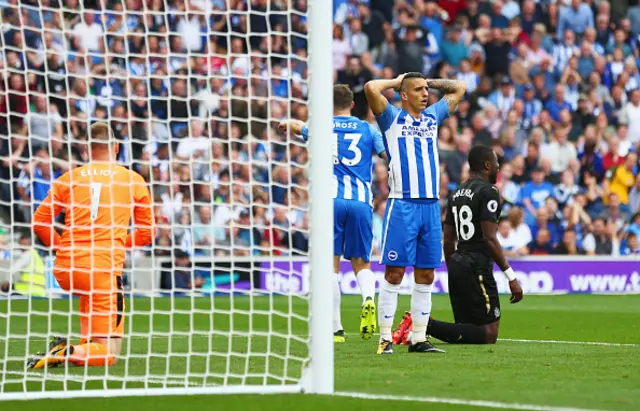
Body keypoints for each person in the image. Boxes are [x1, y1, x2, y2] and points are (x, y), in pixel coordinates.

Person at [28, 122, 155, 368]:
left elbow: (39, 222)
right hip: (102, 270)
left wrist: (61, 247)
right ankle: (67, 350)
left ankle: (83, 347)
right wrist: (118, 243)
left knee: (91, 303)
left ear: (87, 149)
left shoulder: (69, 177)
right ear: (116, 148)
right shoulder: (132, 179)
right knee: (110, 354)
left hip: (66, 269)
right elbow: (148, 233)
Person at [364, 72, 466, 354]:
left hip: (431, 206)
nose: (425, 94)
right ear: (404, 95)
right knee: (394, 273)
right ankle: (385, 339)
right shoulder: (392, 118)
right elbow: (372, 87)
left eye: (426, 90)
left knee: (426, 274)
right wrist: (398, 82)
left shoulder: (433, 117)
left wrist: (427, 81)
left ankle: (417, 338)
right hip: (403, 204)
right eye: (418, 90)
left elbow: (460, 87)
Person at [278, 84, 386, 343]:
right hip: (361, 201)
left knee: (331, 265)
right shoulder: (368, 129)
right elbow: (387, 155)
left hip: (331, 202)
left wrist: (287, 123)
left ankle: (336, 329)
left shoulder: (321, 127)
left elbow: (297, 127)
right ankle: (369, 299)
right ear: (352, 105)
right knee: (362, 263)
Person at [432, 145, 523, 344]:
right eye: (497, 163)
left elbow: (448, 239)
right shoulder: (489, 192)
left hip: (458, 262)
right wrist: (511, 276)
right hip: (477, 266)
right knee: (489, 333)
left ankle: (421, 326)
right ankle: (424, 325)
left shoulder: (456, 193)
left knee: (467, 329)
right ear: (488, 165)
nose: (499, 168)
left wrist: (453, 267)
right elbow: (490, 238)